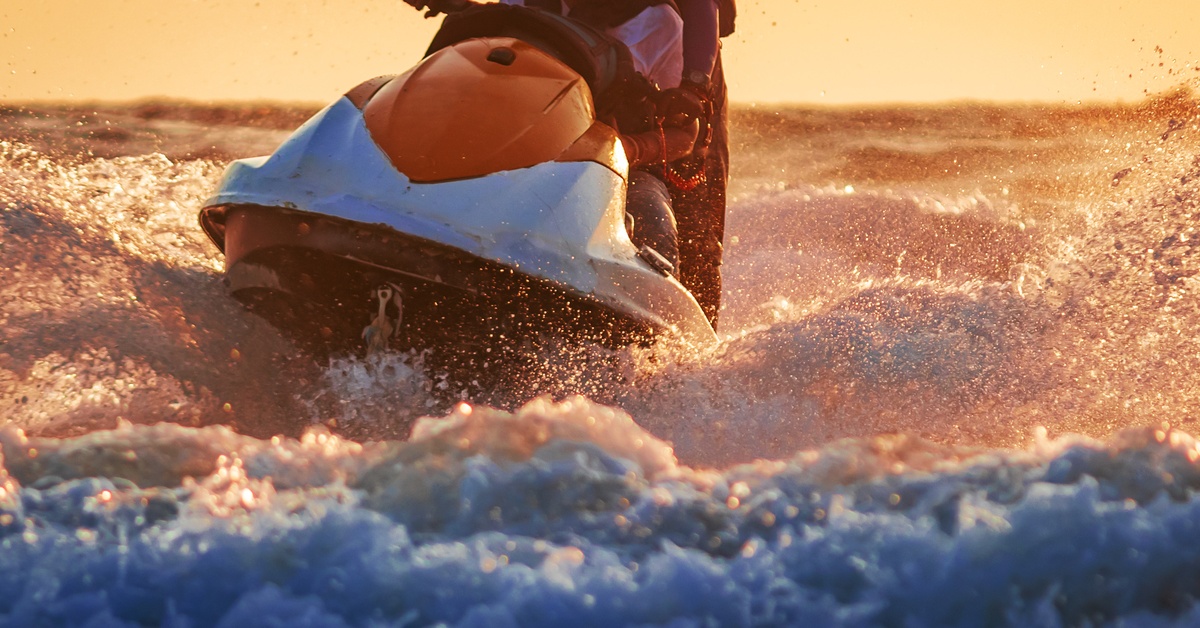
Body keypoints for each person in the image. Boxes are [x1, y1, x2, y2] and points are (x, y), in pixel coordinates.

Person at [404, 0, 733, 329]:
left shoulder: (658, 25)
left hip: (624, 154)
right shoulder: (518, 5)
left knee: (678, 230)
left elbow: (685, 133)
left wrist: (626, 146)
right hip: (521, 145)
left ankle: (682, 359)